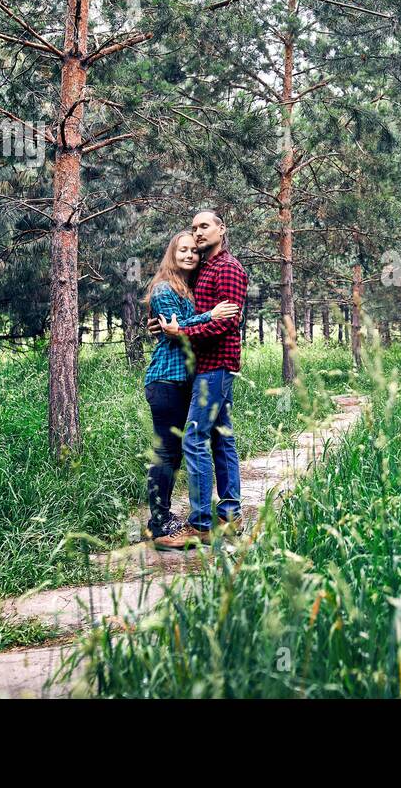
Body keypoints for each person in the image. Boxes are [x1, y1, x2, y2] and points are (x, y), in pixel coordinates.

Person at [151, 209, 248, 550]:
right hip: (201, 367)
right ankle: (230, 514)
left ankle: (201, 523)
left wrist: (184, 330)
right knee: (222, 438)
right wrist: (165, 328)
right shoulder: (204, 269)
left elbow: (227, 322)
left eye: (205, 226)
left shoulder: (230, 268)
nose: (199, 232)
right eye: (194, 228)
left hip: (216, 366)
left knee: (193, 439)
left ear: (222, 229)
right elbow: (183, 311)